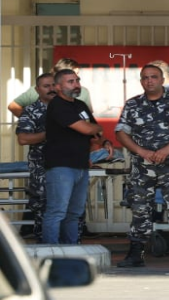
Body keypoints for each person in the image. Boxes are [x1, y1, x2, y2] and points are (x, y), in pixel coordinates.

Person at [115, 65, 169, 268]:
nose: (149, 81)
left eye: (154, 77)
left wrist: (167, 150)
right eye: (145, 78)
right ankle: (136, 253)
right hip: (142, 165)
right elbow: (120, 132)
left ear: (162, 80)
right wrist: (140, 151)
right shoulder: (133, 104)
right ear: (141, 81)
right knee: (140, 207)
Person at [42, 69, 107, 244]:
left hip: (81, 166)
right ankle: (51, 252)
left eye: (77, 80)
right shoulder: (57, 105)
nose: (76, 84)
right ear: (57, 87)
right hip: (61, 166)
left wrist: (102, 139)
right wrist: (94, 129)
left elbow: (96, 132)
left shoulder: (80, 105)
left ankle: (71, 250)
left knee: (74, 213)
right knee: (57, 212)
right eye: (71, 81)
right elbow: (88, 129)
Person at [15, 73, 57, 241]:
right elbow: (23, 138)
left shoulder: (68, 107)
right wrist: (50, 134)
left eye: (53, 85)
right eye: (46, 86)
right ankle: (46, 248)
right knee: (43, 208)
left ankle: (71, 250)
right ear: (37, 90)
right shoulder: (32, 111)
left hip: (67, 166)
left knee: (70, 208)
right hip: (42, 167)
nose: (51, 89)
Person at [8, 58, 94, 117]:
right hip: (44, 142)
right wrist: (32, 121)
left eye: (77, 74)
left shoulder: (82, 92)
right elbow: (14, 106)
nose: (76, 77)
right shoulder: (41, 90)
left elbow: (88, 117)